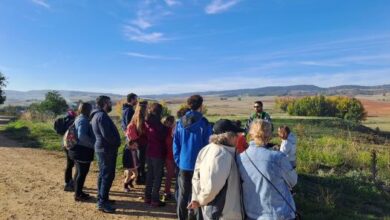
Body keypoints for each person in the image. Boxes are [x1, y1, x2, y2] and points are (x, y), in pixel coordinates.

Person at [237, 119, 298, 220]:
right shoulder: (278, 158)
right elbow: (293, 181)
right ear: (269, 135)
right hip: (279, 214)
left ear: (251, 134)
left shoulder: (240, 158)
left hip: (251, 214)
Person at [188, 119, 244, 220]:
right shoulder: (222, 155)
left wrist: (196, 197)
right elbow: (212, 187)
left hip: (211, 209)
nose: (238, 138)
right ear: (228, 137)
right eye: (236, 135)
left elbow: (196, 177)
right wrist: (199, 200)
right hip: (223, 213)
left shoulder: (206, 149)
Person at [173, 95, 212, 220]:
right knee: (198, 195)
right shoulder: (204, 123)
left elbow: (176, 144)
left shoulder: (179, 123)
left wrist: (179, 161)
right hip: (200, 166)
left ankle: (182, 217)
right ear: (201, 106)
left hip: (184, 164)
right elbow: (208, 145)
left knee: (183, 195)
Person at [91, 96, 121, 213]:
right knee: (107, 175)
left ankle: (102, 197)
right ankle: (102, 202)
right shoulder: (101, 116)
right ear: (104, 103)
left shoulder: (97, 115)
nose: (111, 104)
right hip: (106, 149)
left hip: (103, 149)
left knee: (103, 174)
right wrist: (117, 142)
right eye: (109, 102)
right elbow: (107, 135)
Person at [68, 102, 95, 202]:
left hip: (77, 150)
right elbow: (82, 136)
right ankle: (78, 194)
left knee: (78, 172)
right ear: (88, 110)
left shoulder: (79, 118)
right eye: (91, 109)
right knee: (82, 173)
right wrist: (93, 144)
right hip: (82, 151)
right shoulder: (83, 120)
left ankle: (78, 192)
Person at [144, 103, 168, 207]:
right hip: (158, 152)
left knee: (150, 175)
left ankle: (147, 197)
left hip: (149, 151)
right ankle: (155, 199)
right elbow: (162, 137)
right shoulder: (159, 125)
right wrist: (167, 128)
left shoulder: (147, 122)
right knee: (158, 176)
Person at [124, 101, 148, 192]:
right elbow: (140, 132)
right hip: (138, 144)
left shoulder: (135, 116)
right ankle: (135, 180)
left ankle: (131, 180)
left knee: (137, 163)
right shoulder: (140, 118)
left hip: (136, 144)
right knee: (138, 163)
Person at [62, 109, 77, 192]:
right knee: (70, 164)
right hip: (70, 145)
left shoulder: (66, 120)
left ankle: (69, 181)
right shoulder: (72, 120)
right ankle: (68, 183)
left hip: (65, 144)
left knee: (70, 164)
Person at [163, 115, 176, 201]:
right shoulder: (172, 132)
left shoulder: (164, 131)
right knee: (170, 174)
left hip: (168, 155)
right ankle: (167, 192)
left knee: (170, 175)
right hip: (170, 156)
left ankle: (167, 192)